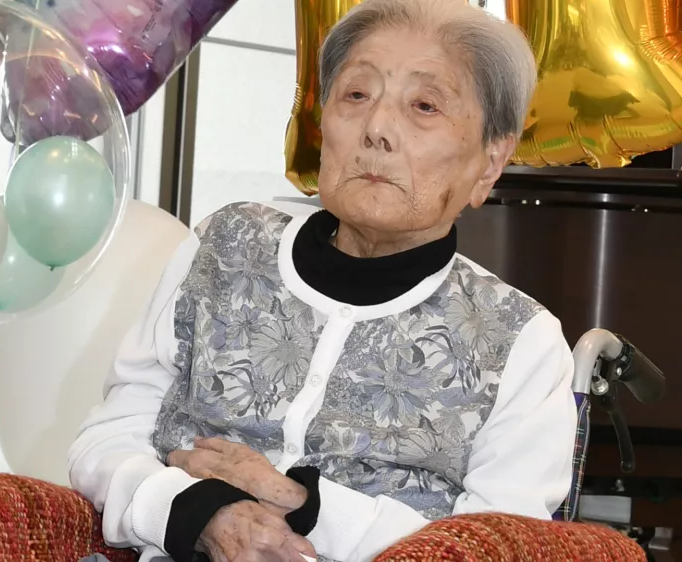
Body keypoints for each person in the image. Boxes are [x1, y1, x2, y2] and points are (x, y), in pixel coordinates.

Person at [68, 0, 577, 561]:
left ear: (489, 163)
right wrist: (196, 513)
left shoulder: (522, 342)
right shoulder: (227, 244)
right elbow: (106, 441)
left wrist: (304, 504)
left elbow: (500, 549)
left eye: (425, 106)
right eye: (356, 95)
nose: (377, 129)